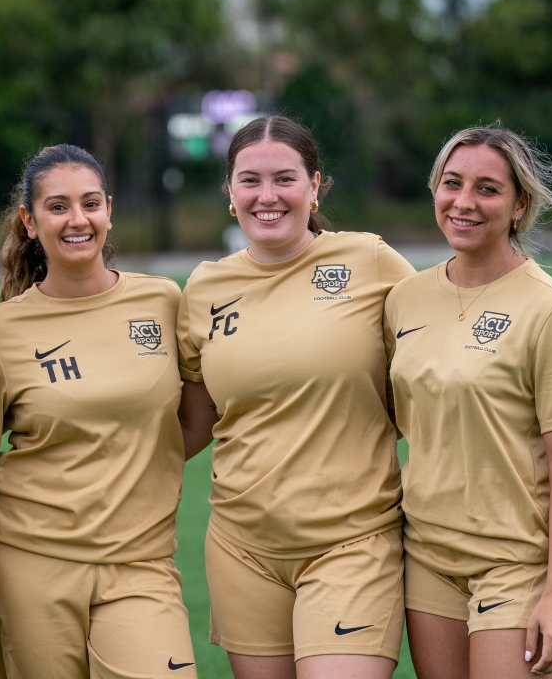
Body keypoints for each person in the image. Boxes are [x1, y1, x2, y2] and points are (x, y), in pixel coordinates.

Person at [173, 115, 416, 679]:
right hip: (242, 550)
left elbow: (449, 324)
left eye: (284, 178)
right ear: (230, 191)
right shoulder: (203, 287)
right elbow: (193, 422)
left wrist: (546, 313)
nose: (267, 196)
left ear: (314, 185)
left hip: (352, 542)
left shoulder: (369, 260)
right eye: (250, 180)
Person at [384, 126, 552, 679]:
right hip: (427, 556)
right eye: (452, 183)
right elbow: (397, 416)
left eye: (487, 189)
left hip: (516, 562)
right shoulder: (404, 298)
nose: (464, 202)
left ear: (520, 205)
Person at [0, 144, 198, 679]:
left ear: (109, 211)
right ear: (30, 221)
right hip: (28, 564)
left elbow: (198, 416)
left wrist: (133, 463)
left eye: (90, 203)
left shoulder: (164, 301)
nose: (78, 220)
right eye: (58, 207)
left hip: (141, 562)